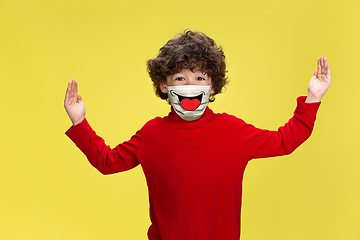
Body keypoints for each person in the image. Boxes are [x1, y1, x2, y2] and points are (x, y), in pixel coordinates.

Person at [64, 30, 331, 240]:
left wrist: (312, 98)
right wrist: (79, 122)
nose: (190, 86)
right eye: (180, 78)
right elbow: (108, 161)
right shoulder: (151, 134)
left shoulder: (233, 132)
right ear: (163, 85)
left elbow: (284, 141)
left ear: (213, 86)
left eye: (200, 78)